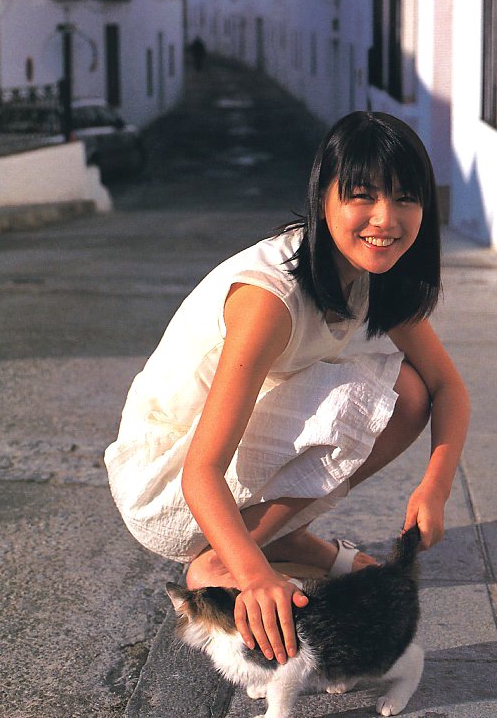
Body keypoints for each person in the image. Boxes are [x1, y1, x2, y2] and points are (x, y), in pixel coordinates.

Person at [104, 110, 470, 668]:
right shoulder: (269, 298)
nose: (385, 218)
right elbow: (201, 470)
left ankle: (281, 538)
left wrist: (435, 487)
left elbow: (449, 387)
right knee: (364, 395)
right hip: (165, 489)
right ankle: (226, 561)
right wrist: (253, 579)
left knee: (409, 392)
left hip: (211, 479)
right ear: (323, 199)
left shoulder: (375, 273)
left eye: (405, 198)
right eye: (363, 196)